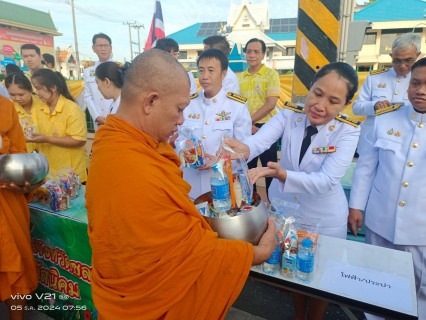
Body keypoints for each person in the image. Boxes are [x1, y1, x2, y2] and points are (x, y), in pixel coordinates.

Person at [85, 49, 277, 319]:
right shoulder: (131, 163)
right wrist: (258, 253)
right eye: (178, 110)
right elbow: (193, 254)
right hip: (146, 303)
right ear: (150, 101)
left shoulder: (116, 143)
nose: (181, 121)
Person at [227, 62, 360, 320]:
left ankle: (316, 318)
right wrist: (244, 149)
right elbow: (261, 140)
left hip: (324, 218)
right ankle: (300, 315)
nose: (320, 105)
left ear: (345, 104)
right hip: (286, 209)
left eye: (333, 101)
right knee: (292, 266)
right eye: (318, 93)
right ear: (310, 88)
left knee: (322, 275)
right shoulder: (289, 114)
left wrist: (282, 174)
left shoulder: (348, 130)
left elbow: (326, 180)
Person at [349, 57, 426, 320]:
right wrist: (356, 205)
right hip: (380, 221)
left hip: (421, 230)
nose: (420, 90)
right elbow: (366, 166)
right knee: (377, 283)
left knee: (420, 293)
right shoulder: (387, 118)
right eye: (415, 83)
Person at [173, 48, 251, 200]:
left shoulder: (236, 106)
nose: (205, 76)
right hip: (191, 184)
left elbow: (244, 152)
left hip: (223, 185)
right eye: (201, 70)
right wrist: (188, 154)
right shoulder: (188, 103)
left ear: (223, 74)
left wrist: (220, 161)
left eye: (211, 70)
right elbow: (178, 138)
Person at [0, 95, 42, 320]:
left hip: (7, 196)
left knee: (15, 271)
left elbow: (19, 153)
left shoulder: (5, 107)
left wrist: (26, 180)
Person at [352, 33, 421, 155]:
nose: (402, 66)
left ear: (418, 56)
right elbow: (356, 108)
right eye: (397, 61)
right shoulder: (375, 78)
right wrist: (374, 105)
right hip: (371, 139)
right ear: (391, 56)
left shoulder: (420, 82)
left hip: (403, 140)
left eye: (408, 60)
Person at [238, 38, 281, 200]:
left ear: (263, 54)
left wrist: (250, 122)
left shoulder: (271, 75)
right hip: (246, 129)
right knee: (247, 172)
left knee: (268, 170)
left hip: (267, 129)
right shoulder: (240, 78)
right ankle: (251, 208)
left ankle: (273, 207)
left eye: (256, 51)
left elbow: (270, 104)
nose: (252, 55)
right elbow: (237, 106)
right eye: (248, 51)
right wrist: (247, 124)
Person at [28, 69, 88, 182]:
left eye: (39, 88)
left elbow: (79, 140)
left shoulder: (72, 109)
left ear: (53, 88)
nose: (37, 92)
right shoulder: (38, 108)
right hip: (49, 172)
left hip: (71, 174)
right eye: (36, 88)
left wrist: (47, 139)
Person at [5, 73, 43, 153]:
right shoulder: (8, 109)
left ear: (30, 90)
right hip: (22, 156)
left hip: (48, 154)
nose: (17, 98)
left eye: (21, 94)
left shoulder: (44, 103)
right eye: (12, 95)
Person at [84, 33, 114, 130]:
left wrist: (112, 116)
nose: (103, 49)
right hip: (98, 122)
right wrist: (96, 116)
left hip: (116, 119)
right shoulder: (88, 71)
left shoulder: (118, 68)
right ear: (93, 48)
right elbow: (88, 96)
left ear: (111, 48)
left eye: (106, 45)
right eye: (100, 46)